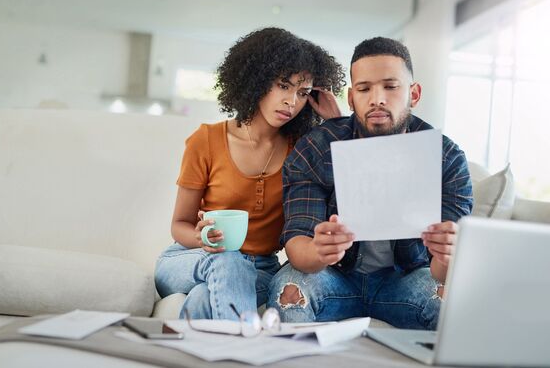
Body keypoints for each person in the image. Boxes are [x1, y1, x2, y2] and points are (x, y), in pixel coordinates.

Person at [266, 37, 473, 330]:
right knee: (289, 289)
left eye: (390, 86)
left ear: (414, 93)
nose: (377, 99)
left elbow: (443, 272)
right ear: (351, 99)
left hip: (406, 279)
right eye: (364, 89)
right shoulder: (317, 148)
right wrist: (319, 251)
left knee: (453, 301)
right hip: (333, 276)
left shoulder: (446, 158)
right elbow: (298, 245)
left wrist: (447, 253)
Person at [154, 27, 346, 320]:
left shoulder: (303, 150)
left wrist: (335, 123)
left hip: (259, 269)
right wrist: (203, 237)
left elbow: (351, 185)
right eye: (283, 85)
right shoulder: (205, 140)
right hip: (190, 258)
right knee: (227, 260)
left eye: (303, 92)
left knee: (204, 297)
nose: (291, 101)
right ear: (256, 79)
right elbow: (179, 224)